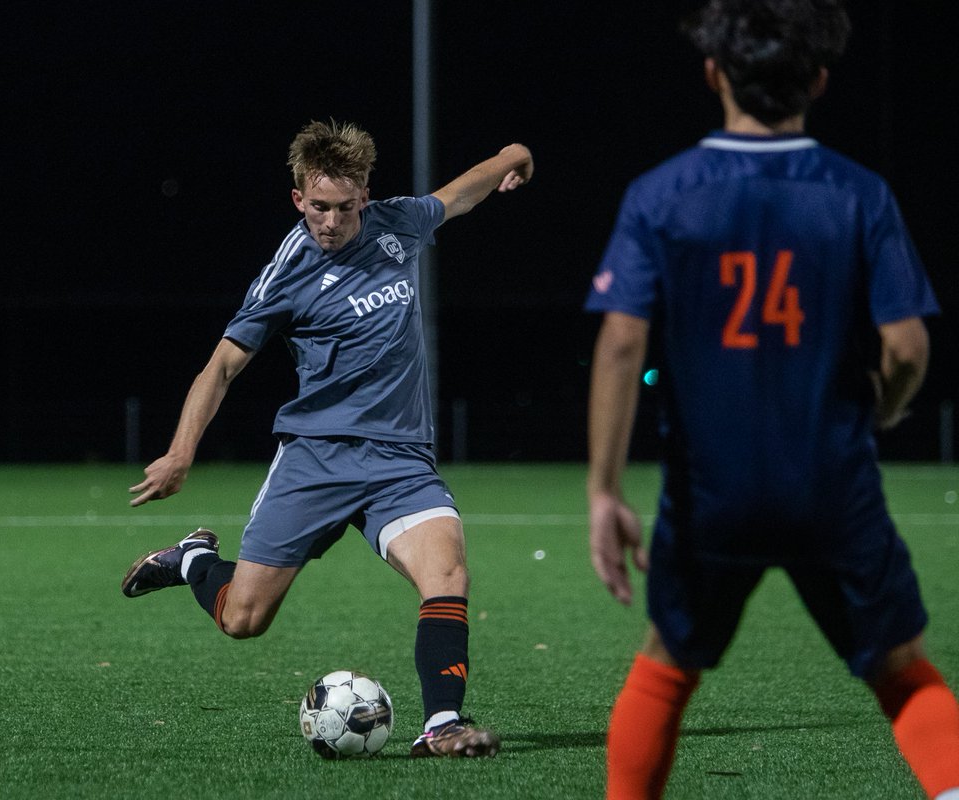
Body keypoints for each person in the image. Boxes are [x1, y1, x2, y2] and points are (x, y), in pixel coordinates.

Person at [584, 1, 959, 797]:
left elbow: (621, 342)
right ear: (819, 81)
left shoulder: (662, 194)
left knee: (665, 667)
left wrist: (604, 489)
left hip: (709, 493)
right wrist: (886, 405)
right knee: (901, 672)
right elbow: (908, 347)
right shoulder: (859, 194)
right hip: (833, 484)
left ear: (714, 74)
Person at [123, 119, 533, 758]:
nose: (332, 221)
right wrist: (180, 453)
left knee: (447, 572)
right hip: (316, 458)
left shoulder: (399, 224)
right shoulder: (288, 271)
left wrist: (513, 154)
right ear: (298, 199)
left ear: (366, 194)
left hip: (400, 459)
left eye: (345, 207)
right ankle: (194, 560)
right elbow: (222, 366)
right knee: (243, 620)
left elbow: (463, 193)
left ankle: (443, 724)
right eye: (319, 207)